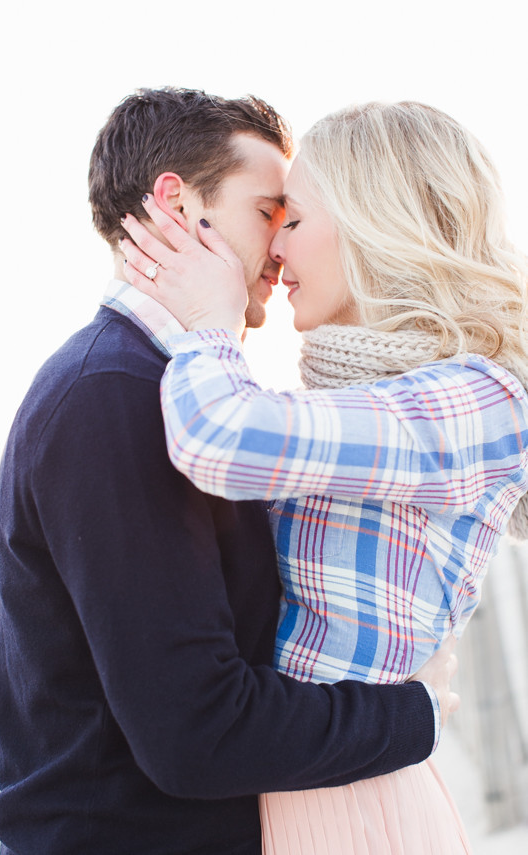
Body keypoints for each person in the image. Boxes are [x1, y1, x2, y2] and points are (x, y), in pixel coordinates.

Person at [0, 90, 456, 855]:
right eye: (268, 211)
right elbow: (196, 732)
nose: (281, 245)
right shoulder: (113, 395)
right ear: (176, 204)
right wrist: (416, 714)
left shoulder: (157, 388)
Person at [119, 101, 528, 853]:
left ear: (379, 223)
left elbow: (218, 436)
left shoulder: (480, 399)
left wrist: (209, 326)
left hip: (355, 805)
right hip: (305, 787)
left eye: (293, 217)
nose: (273, 246)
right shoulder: (351, 403)